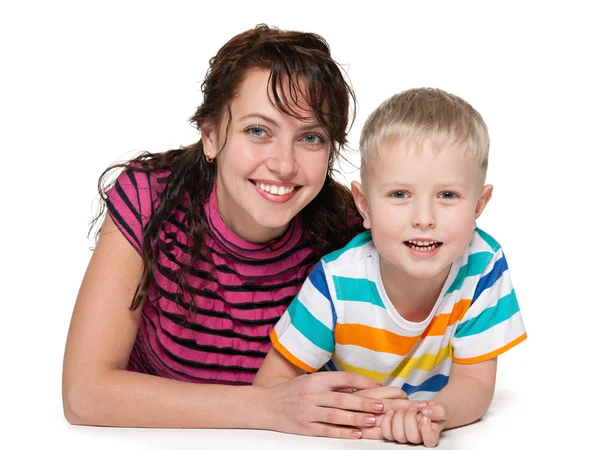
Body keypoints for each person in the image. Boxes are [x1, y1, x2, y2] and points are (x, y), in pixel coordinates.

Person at [61, 24, 408, 439]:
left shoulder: (350, 227)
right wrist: (269, 406)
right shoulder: (149, 198)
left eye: (311, 137)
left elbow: (447, 273)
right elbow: (84, 394)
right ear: (210, 135)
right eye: (258, 131)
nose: (283, 164)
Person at [253, 87, 528, 447]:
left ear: (479, 205)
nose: (424, 219)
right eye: (400, 195)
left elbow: (475, 383)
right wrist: (348, 412)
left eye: (447, 195)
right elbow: (271, 385)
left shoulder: (483, 265)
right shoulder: (335, 281)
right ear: (364, 206)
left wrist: (429, 414)